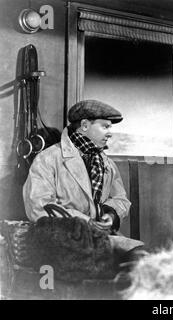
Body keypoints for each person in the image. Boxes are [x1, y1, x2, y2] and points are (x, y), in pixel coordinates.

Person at [23, 99, 144, 267]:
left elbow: (121, 199)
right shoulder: (48, 159)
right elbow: (38, 206)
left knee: (141, 257)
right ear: (85, 125)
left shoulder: (105, 162)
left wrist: (110, 215)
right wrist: (85, 222)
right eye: (105, 126)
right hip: (63, 241)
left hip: (100, 238)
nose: (110, 133)